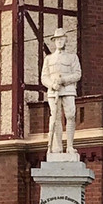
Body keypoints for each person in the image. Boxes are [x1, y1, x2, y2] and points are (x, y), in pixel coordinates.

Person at [41, 27, 82, 155]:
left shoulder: (72, 57)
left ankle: (70, 146)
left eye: (61, 39)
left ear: (65, 40)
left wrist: (63, 80)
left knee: (70, 116)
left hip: (68, 90)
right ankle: (57, 147)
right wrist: (52, 85)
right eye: (57, 39)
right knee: (56, 118)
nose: (59, 41)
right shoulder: (49, 59)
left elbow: (77, 74)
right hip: (54, 93)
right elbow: (44, 77)